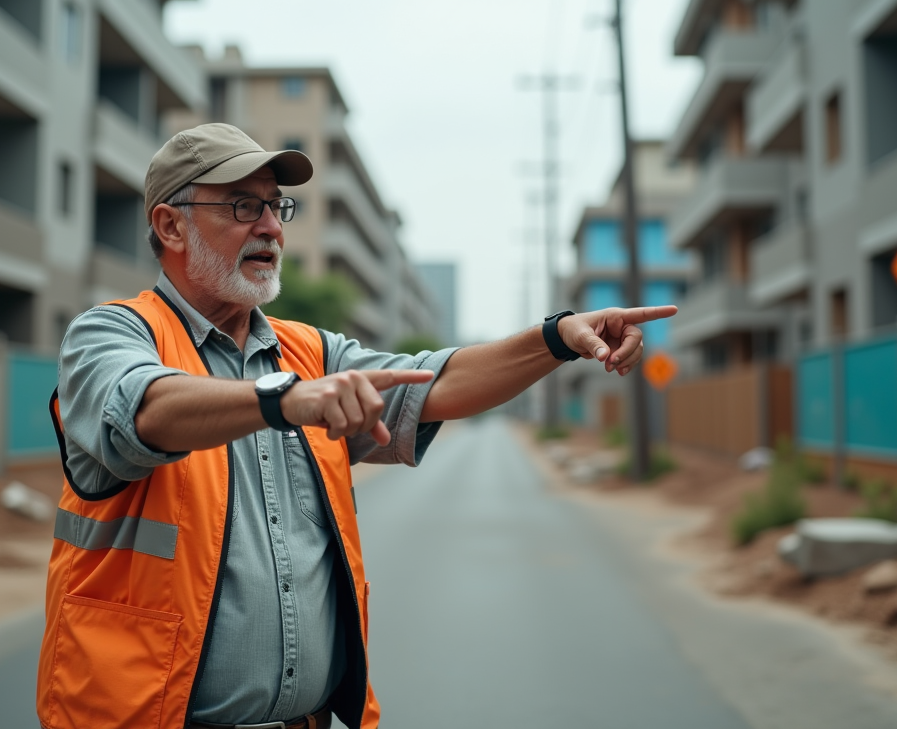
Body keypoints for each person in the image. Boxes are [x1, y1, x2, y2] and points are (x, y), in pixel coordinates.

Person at [35, 124, 675, 729]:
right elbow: (144, 409)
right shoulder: (111, 332)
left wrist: (557, 337)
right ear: (171, 225)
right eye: (240, 207)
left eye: (275, 207)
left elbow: (437, 382)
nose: (269, 227)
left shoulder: (307, 351)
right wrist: (281, 400)